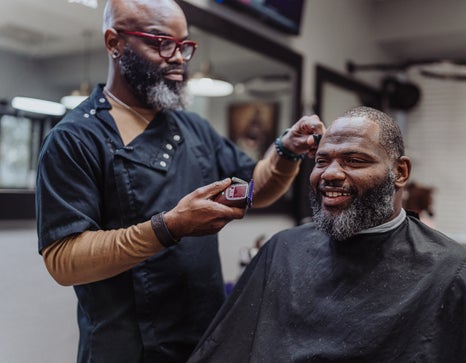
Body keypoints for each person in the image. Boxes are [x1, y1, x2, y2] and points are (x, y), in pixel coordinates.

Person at [35, 1, 324, 362]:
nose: (178, 58)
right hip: (127, 348)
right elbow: (64, 259)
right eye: (160, 43)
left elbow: (254, 190)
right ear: (114, 43)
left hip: (203, 337)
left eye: (185, 45)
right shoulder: (76, 138)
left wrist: (285, 151)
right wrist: (168, 227)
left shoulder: (192, 127)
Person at [188, 106, 466, 363]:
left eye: (354, 160)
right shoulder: (282, 249)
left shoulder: (456, 270)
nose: (329, 174)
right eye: (322, 161)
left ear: (400, 172)